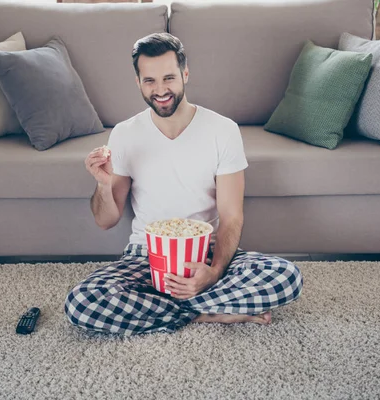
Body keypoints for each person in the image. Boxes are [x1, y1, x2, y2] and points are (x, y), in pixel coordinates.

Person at [65, 33, 303, 336]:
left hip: (207, 252)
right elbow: (105, 220)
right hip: (146, 258)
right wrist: (102, 183)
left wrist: (213, 272)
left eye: (169, 78)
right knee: (81, 302)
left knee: (285, 276)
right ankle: (205, 313)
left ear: (185, 74)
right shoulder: (124, 134)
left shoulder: (222, 130)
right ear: (137, 81)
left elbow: (232, 216)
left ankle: (163, 308)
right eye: (149, 80)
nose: (160, 90)